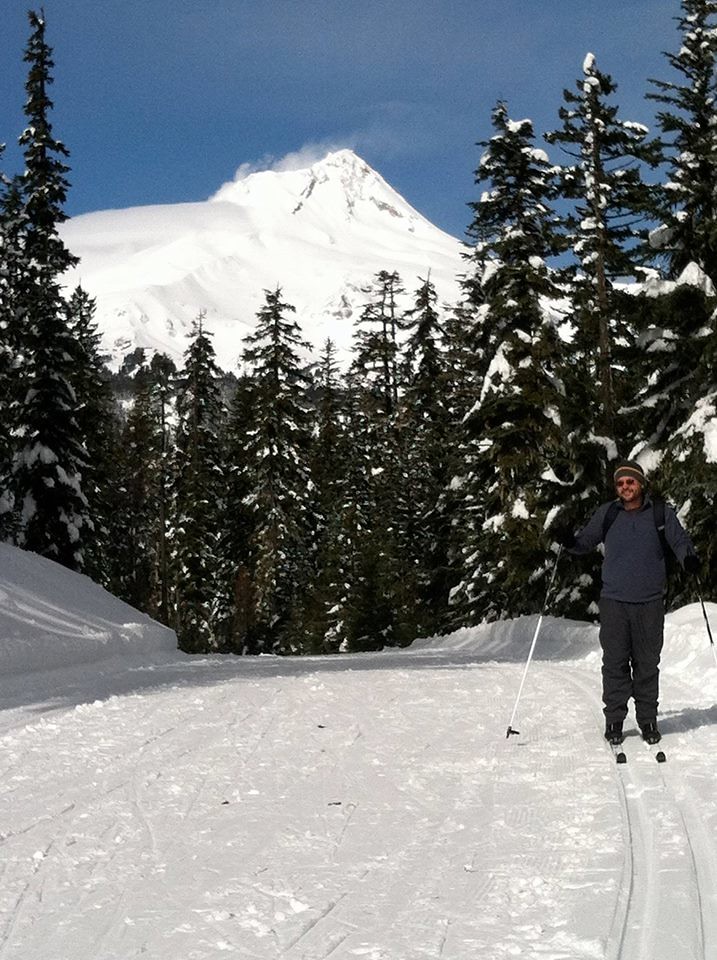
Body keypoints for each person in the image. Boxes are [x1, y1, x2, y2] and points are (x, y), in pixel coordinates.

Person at [554, 461, 700, 745]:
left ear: (641, 483)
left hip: (649, 603)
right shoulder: (608, 513)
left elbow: (680, 541)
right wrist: (568, 540)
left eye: (630, 482)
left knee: (647, 663)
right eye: (620, 484)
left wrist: (689, 559)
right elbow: (585, 542)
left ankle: (647, 720)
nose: (625, 487)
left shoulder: (660, 512)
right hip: (614, 602)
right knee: (615, 663)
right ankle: (615, 720)